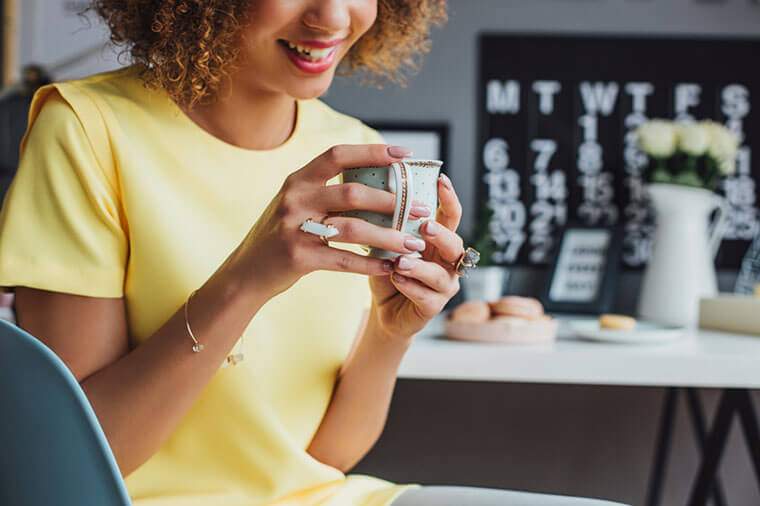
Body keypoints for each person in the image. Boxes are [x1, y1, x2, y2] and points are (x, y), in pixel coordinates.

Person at [0, 1, 625, 505]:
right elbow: (75, 464)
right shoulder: (86, 130)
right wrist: (247, 281)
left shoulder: (356, 151)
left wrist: (390, 331)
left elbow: (323, 460)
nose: (331, 17)